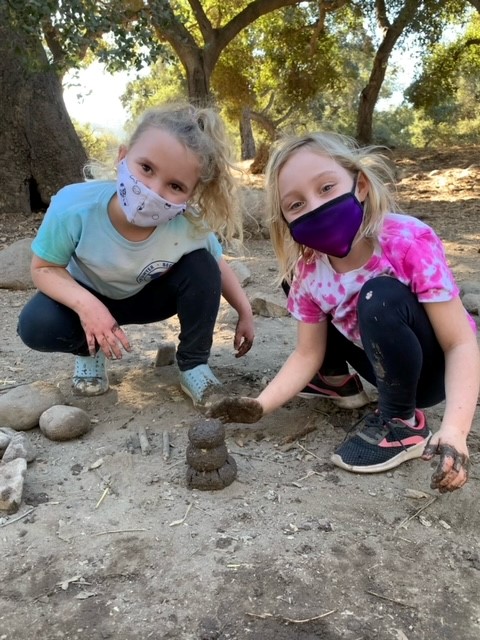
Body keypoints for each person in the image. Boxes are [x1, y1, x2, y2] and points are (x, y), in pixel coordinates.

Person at [208, 131, 479, 493]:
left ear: (361, 185)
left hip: (432, 370)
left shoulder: (406, 241)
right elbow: (307, 352)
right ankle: (336, 383)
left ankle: (403, 422)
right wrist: (260, 405)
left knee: (377, 297)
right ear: (286, 221)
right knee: (308, 293)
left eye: (326, 188)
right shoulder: (309, 269)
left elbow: (459, 342)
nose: (315, 207)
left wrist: (455, 431)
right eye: (295, 204)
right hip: (381, 363)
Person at [17, 102, 255, 406]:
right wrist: (87, 306)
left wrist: (245, 312)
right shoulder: (73, 206)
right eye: (146, 168)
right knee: (36, 324)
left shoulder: (189, 225)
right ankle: (88, 350)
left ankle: (194, 365)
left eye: (175, 185)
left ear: (191, 195)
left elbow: (216, 266)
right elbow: (45, 269)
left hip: (146, 299)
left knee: (202, 265)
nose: (153, 190)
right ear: (122, 156)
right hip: (87, 297)